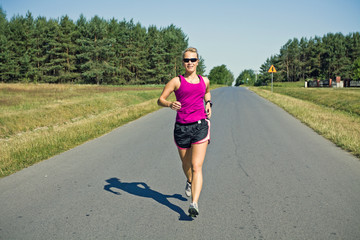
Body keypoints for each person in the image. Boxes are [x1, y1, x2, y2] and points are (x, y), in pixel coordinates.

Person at [157, 47, 212, 217]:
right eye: (187, 60)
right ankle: (189, 181)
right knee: (186, 165)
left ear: (198, 61)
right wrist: (169, 104)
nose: (190, 63)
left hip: (200, 125)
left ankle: (194, 203)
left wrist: (209, 103)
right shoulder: (176, 81)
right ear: (183, 62)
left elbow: (207, 93)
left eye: (193, 60)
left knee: (197, 166)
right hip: (181, 127)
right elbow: (160, 100)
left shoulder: (205, 80)